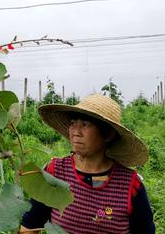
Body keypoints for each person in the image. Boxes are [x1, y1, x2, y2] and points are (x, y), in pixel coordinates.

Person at [20, 94, 155, 234]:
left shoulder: (130, 185)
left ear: (108, 134)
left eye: (85, 124)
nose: (76, 132)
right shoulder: (55, 172)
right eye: (73, 123)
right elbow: (30, 225)